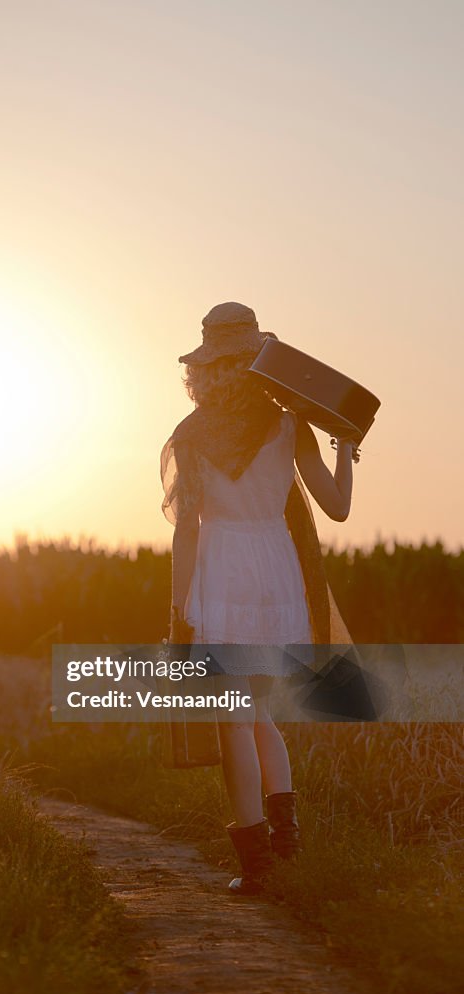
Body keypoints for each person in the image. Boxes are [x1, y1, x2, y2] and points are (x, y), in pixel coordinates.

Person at [160, 301, 355, 895]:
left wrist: (178, 614)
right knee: (260, 713)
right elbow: (338, 507)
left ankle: (256, 865)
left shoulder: (191, 436)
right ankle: (285, 846)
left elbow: (186, 529)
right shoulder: (289, 423)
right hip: (277, 569)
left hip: (222, 568)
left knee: (232, 721)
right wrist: (345, 447)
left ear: (205, 367)